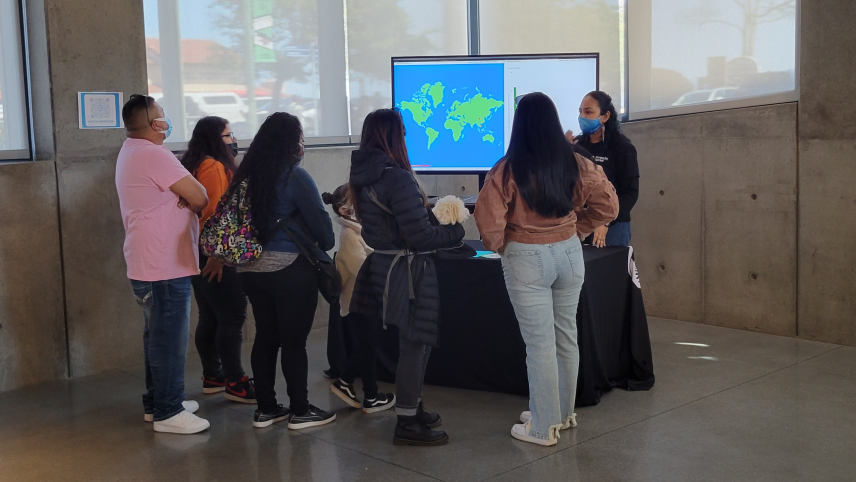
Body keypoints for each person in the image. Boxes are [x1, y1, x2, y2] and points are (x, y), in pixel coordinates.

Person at [474, 92, 618, 447]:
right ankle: (561, 415)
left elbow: (488, 221)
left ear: (518, 125)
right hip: (570, 253)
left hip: (526, 257)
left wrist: (502, 246)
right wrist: (578, 227)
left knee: (539, 346)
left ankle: (542, 428)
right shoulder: (576, 163)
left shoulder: (507, 168)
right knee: (566, 337)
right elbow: (609, 205)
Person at [348, 108, 465, 446]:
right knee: (415, 345)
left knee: (413, 344)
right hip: (410, 271)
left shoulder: (363, 175)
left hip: (386, 266)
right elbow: (422, 237)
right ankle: (407, 423)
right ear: (394, 135)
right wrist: (456, 232)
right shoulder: (396, 177)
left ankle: (411, 406)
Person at [233, 112, 337, 430]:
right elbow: (324, 229)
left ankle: (266, 408)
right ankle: (300, 410)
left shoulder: (245, 176)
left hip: (250, 269)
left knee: (266, 336)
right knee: (294, 342)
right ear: (293, 142)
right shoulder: (294, 176)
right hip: (290, 269)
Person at [115, 94, 211, 434]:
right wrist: (185, 196)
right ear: (154, 124)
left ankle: (158, 402)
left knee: (155, 335)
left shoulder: (130, 151)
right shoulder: (155, 154)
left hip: (147, 259)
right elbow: (200, 196)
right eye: (162, 115)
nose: (166, 119)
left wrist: (180, 195)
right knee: (167, 338)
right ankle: (169, 412)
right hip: (164, 262)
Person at [180, 116, 255, 404]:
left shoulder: (196, 163)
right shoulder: (212, 166)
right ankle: (235, 381)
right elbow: (215, 213)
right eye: (228, 134)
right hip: (214, 253)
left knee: (212, 315)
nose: (233, 139)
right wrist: (218, 256)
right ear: (215, 138)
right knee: (232, 315)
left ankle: (214, 375)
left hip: (199, 250)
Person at [322, 184, 396, 414]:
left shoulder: (360, 232)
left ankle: (348, 383)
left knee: (367, 346)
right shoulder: (349, 237)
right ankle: (369, 395)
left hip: (365, 302)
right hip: (357, 304)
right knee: (367, 347)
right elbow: (364, 269)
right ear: (345, 210)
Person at [568, 90, 639, 248]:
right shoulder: (577, 145)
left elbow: (630, 193)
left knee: (609, 271)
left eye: (588, 112)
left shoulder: (623, 148)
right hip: (582, 223)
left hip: (613, 226)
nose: (582, 117)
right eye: (580, 112)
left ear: (605, 116)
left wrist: (605, 221)